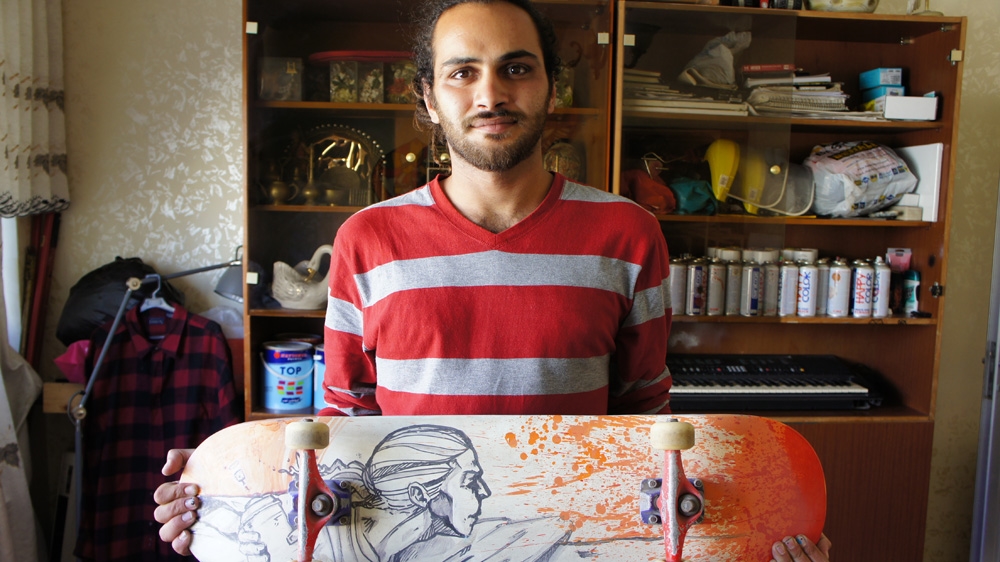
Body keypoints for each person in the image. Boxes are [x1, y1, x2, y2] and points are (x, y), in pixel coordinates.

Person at [155, 1, 830, 559]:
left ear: (551, 87)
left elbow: (645, 422)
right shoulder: (367, 238)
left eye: (516, 68)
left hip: (579, 543)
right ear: (428, 97)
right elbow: (345, 425)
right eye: (462, 72)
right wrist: (224, 493)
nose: (490, 94)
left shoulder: (628, 233)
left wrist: (755, 527)